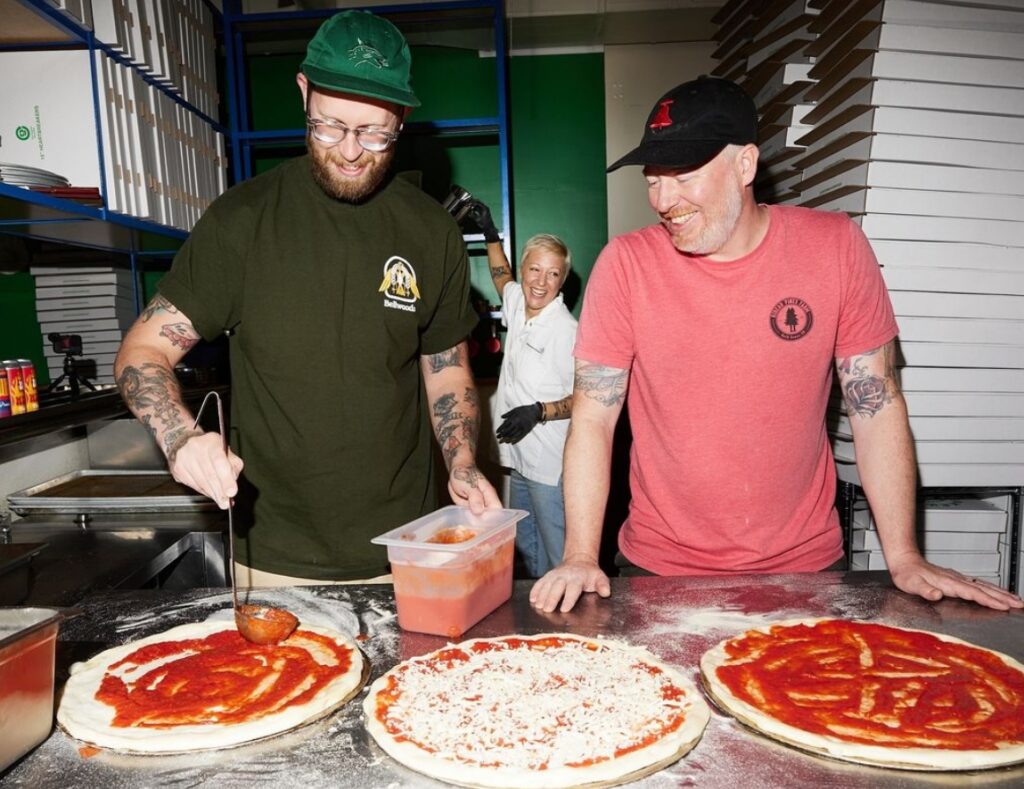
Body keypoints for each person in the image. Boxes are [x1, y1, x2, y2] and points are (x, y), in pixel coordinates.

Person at [530, 76, 1023, 613]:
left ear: (745, 165)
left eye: (684, 177)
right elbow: (594, 418)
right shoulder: (625, 265)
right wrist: (580, 553)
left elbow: (875, 408)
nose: (663, 201)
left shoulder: (836, 248)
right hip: (659, 569)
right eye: (653, 179)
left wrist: (903, 555)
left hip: (807, 569)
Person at [114, 10, 500, 586]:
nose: (350, 151)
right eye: (330, 126)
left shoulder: (431, 231)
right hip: (274, 558)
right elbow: (144, 350)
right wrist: (181, 438)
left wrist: (463, 463)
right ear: (303, 92)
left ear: (402, 117)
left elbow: (446, 372)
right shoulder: (241, 222)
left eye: (375, 133)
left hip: (411, 545)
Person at [469, 200, 577, 577]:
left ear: (562, 282)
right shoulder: (518, 305)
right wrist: (489, 232)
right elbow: (502, 277)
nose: (540, 282)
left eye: (552, 274)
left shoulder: (565, 330)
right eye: (534, 269)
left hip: (550, 465)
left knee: (557, 558)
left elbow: (587, 398)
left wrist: (539, 411)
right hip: (518, 458)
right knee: (527, 554)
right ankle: (533, 625)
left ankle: (569, 628)